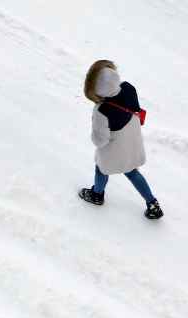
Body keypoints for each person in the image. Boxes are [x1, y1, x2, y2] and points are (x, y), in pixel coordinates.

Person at [78, 60, 162, 220]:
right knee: (132, 172)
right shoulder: (128, 88)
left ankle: (97, 194)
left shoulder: (102, 110)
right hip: (131, 139)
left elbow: (100, 140)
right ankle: (152, 203)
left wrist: (94, 137)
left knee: (102, 168)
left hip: (115, 147)